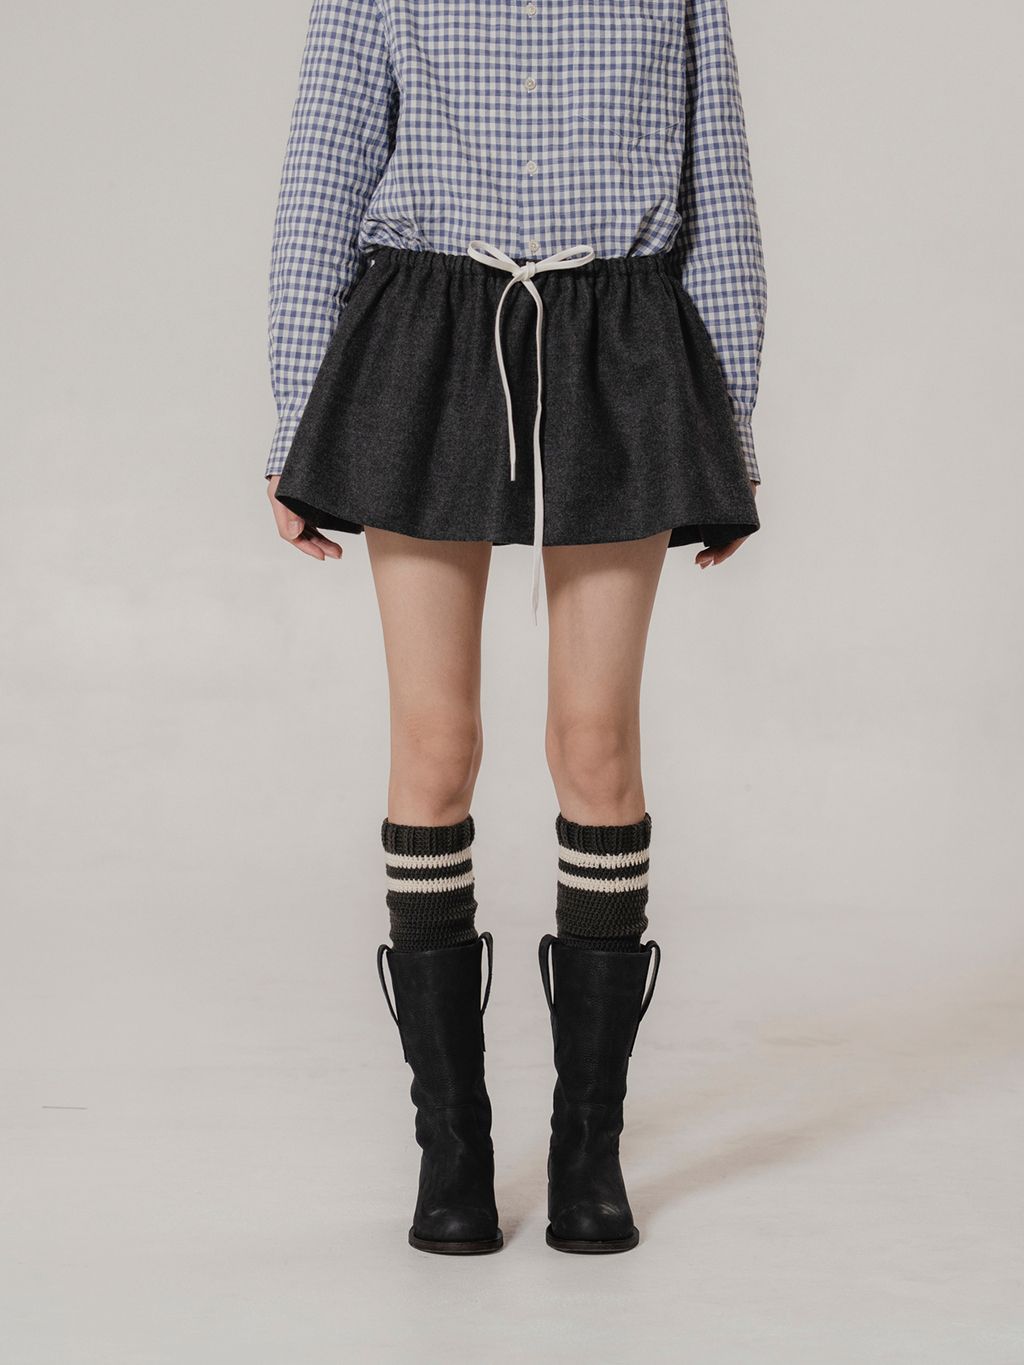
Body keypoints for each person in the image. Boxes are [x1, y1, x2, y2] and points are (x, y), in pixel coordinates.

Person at [264, 0, 766, 1256]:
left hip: (621, 346)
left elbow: (721, 196)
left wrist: (731, 436)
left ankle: (588, 1146)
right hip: (425, 337)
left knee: (594, 743)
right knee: (436, 746)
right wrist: (293, 422)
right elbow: (321, 179)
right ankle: (453, 1148)